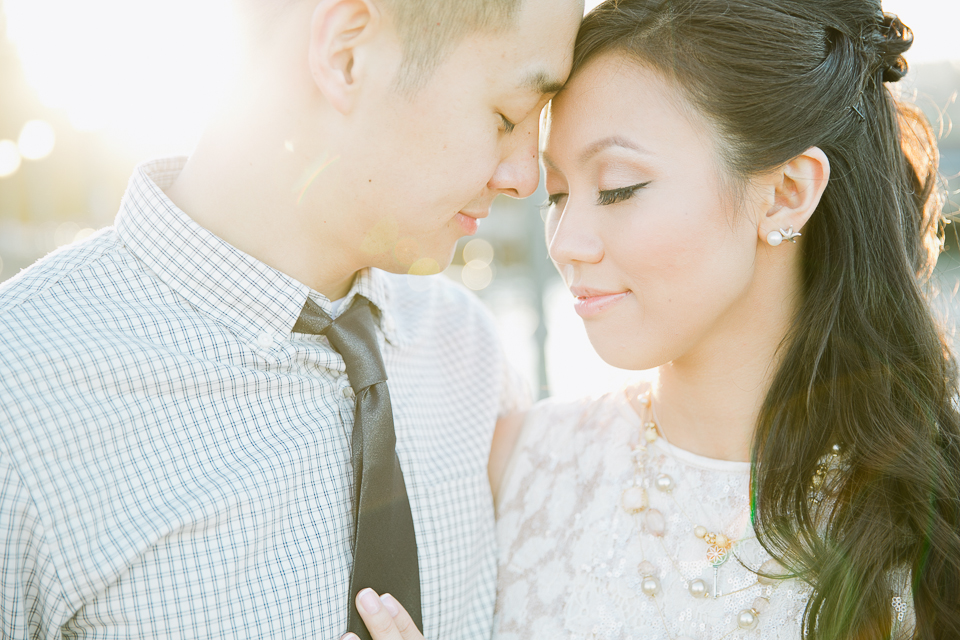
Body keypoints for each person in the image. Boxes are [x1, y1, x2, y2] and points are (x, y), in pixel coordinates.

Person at [352, 0, 960, 638]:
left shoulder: (930, 521)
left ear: (786, 192)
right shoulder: (519, 465)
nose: (565, 241)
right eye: (558, 195)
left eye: (617, 187)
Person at [0, 0, 583, 637]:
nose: (527, 178)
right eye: (506, 117)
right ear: (348, 55)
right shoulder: (21, 401)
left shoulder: (468, 352)